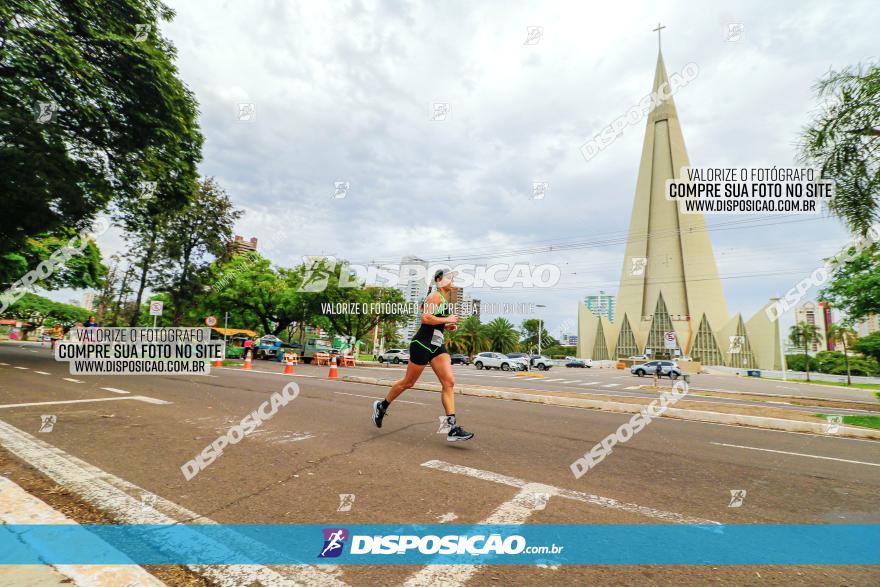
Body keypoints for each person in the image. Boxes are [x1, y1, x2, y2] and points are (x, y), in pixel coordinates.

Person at [371, 270, 474, 441]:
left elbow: (435, 321)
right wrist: (447, 320)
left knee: (449, 382)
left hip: (436, 345)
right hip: (422, 344)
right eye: (449, 278)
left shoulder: (443, 299)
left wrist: (447, 326)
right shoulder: (435, 296)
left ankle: (452, 428)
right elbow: (426, 318)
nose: (452, 280)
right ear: (439, 281)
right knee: (408, 382)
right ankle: (381, 406)